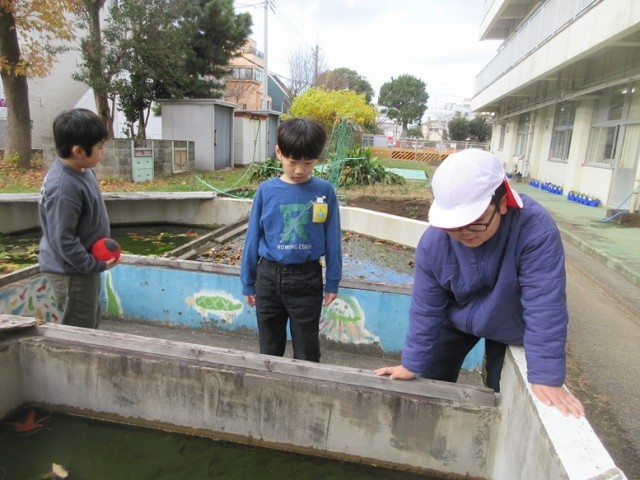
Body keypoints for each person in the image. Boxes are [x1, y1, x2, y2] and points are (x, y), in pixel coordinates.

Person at [375, 149, 585, 418]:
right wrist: (411, 363)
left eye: (475, 222)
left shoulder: (535, 230)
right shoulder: (434, 243)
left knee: (500, 389)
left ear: (503, 202)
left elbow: (545, 302)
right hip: (457, 316)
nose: (464, 233)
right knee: (429, 376)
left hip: (510, 320)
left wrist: (546, 375)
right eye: (454, 225)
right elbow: (426, 308)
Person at [240, 117, 342, 362]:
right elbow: (252, 237)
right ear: (279, 153)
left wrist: (333, 281)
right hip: (268, 278)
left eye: (308, 163)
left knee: (307, 350)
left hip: (307, 279)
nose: (299, 170)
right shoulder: (266, 191)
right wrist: (248, 281)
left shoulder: (324, 191)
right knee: (269, 348)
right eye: (293, 162)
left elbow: (333, 238)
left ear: (318, 158)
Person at [38, 108, 118, 329]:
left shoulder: (83, 170)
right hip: (71, 272)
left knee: (91, 319)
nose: (102, 152)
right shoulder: (63, 187)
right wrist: (90, 263)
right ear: (79, 151)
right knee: (79, 328)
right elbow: (63, 238)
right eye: (100, 147)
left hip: (82, 266)